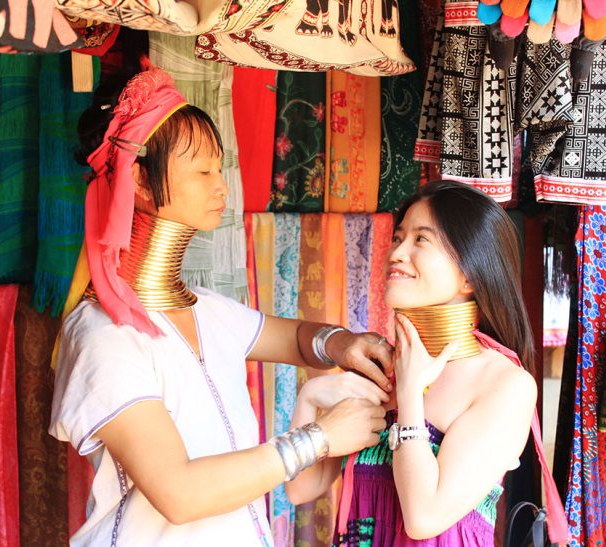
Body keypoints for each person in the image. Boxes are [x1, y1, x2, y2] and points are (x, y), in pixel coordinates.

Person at [49, 66, 393, 546]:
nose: (221, 186)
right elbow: (179, 492)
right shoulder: (102, 335)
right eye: (202, 170)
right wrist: (321, 438)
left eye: (220, 167)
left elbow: (296, 338)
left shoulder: (209, 310)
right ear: (141, 183)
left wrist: (344, 344)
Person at [286, 181, 569, 545]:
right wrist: (310, 396)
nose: (396, 253)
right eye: (398, 237)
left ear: (469, 274)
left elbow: (423, 518)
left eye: (421, 240)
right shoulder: (381, 365)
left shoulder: (505, 383)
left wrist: (409, 394)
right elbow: (301, 487)